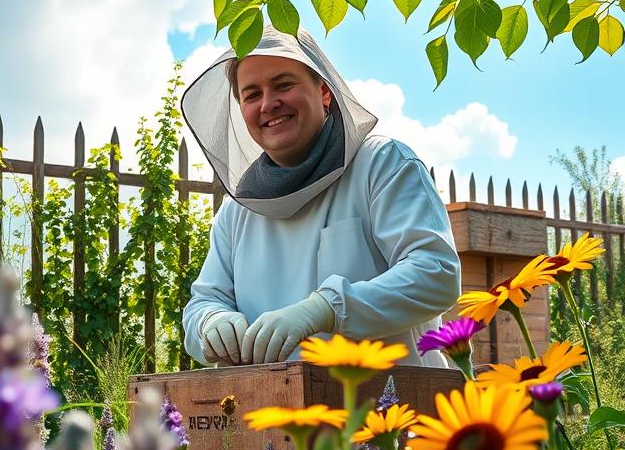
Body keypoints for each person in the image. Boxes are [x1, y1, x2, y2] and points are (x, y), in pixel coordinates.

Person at [181, 27, 461, 367]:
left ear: (324, 91)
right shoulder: (236, 210)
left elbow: (436, 273)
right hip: (275, 415)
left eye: (283, 84)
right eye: (252, 95)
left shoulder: (381, 164)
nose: (269, 104)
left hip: (391, 413)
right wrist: (211, 323)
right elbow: (204, 302)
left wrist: (327, 308)